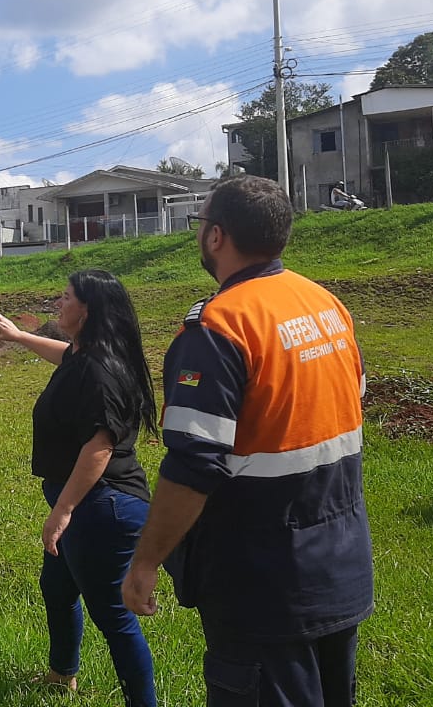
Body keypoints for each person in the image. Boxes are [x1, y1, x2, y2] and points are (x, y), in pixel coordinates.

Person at [122, 175, 373, 707]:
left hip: (263, 586)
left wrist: (144, 563)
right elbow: (350, 402)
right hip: (341, 567)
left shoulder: (219, 329)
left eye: (200, 224)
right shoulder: (326, 305)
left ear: (216, 236)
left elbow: (194, 465)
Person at [0, 269, 158, 707]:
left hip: (101, 507)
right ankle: (62, 675)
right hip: (89, 504)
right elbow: (63, 354)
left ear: (89, 310)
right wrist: (19, 336)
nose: (57, 303)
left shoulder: (100, 371)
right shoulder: (86, 355)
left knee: (113, 616)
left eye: (66, 297)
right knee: (58, 589)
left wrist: (62, 511)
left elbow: (99, 447)